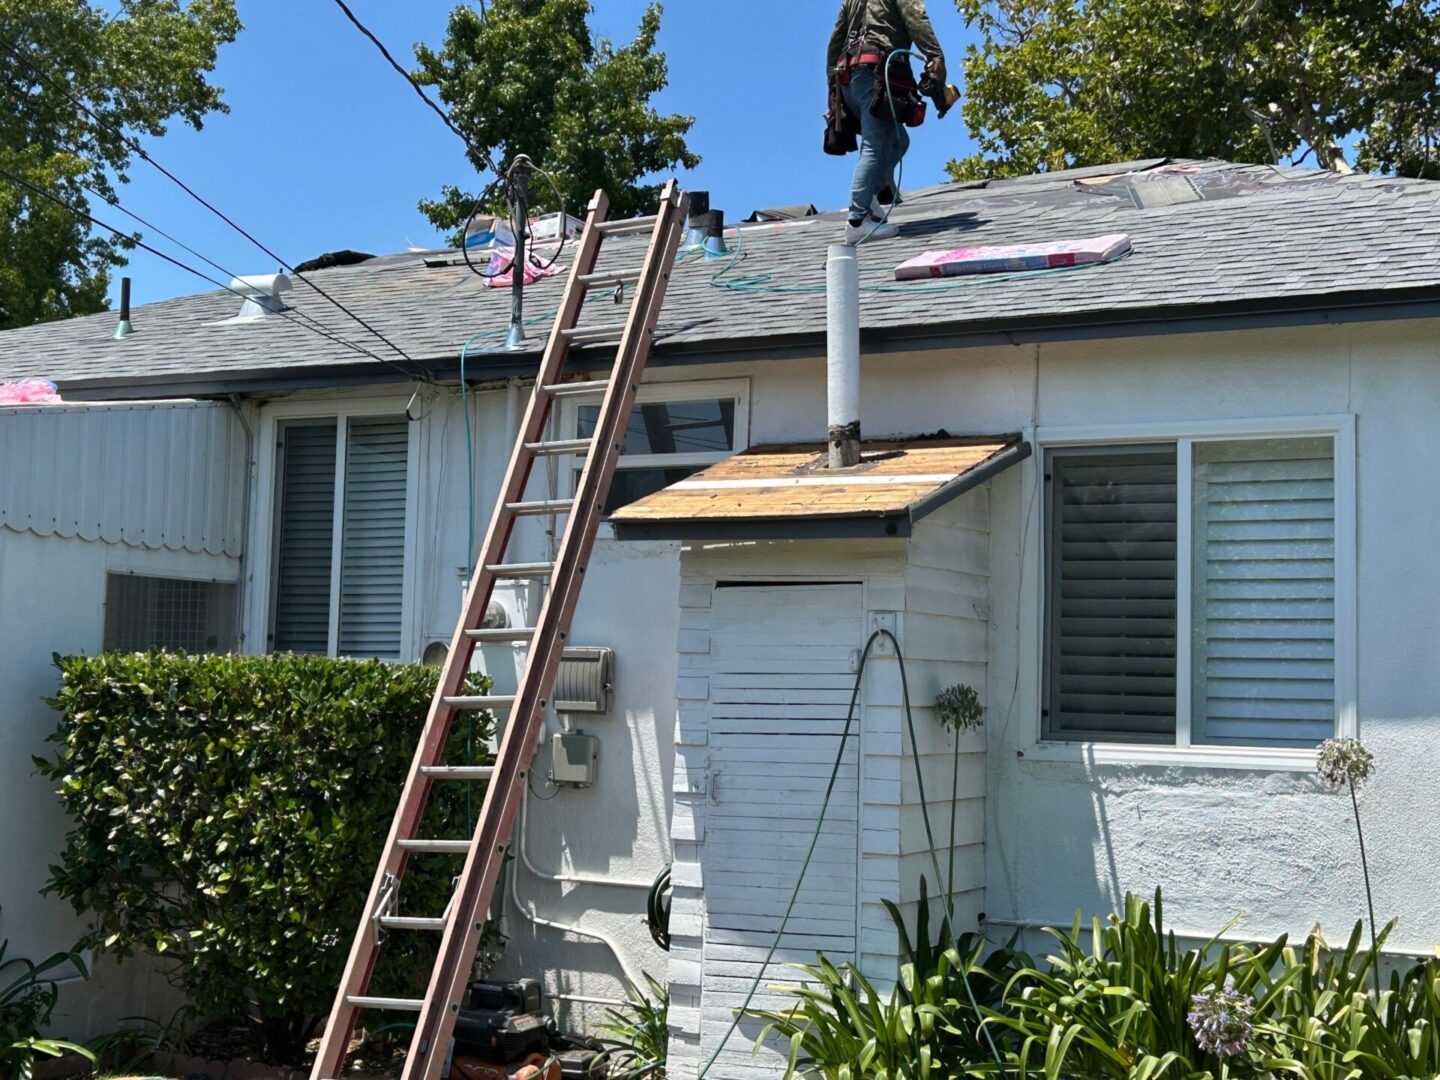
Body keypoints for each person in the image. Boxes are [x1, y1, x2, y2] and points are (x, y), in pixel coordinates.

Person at [827, 0, 952, 244]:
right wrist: (935, 57)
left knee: (897, 139)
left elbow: (835, 42)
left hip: (849, 78)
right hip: (875, 72)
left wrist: (832, 89)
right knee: (876, 144)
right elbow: (917, 20)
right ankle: (857, 220)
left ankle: (870, 199)